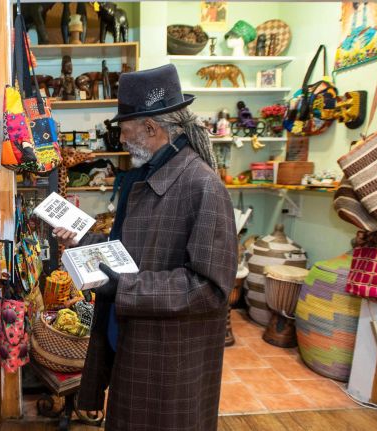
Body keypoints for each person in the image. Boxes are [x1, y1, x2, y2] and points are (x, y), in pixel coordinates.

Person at [53, 64, 237, 431]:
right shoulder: (148, 176)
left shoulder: (202, 187)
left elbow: (211, 289)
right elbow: (132, 249)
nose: (120, 139)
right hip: (136, 345)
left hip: (168, 361)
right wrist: (85, 241)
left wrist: (124, 287)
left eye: (123, 129)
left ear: (151, 129)